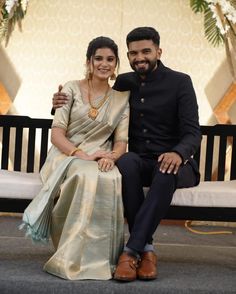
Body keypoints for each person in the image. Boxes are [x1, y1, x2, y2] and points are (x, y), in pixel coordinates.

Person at [52, 27, 201, 282]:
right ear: (129, 57)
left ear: (158, 51)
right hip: (140, 160)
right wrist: (57, 103)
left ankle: (133, 251)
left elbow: (192, 132)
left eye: (146, 51)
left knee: (165, 171)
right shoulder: (124, 82)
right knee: (128, 162)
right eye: (133, 53)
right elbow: (98, 110)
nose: (139, 57)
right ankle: (147, 250)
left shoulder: (180, 81)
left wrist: (178, 153)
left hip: (177, 162)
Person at [21, 36, 130, 280]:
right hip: (66, 154)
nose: (104, 63)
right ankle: (69, 255)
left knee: (110, 177)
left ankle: (102, 259)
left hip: (101, 155)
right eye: (99, 58)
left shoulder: (122, 100)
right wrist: (82, 155)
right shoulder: (69, 89)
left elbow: (121, 142)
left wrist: (111, 157)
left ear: (116, 65)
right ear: (89, 62)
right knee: (84, 174)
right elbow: (57, 134)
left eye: (110, 59)